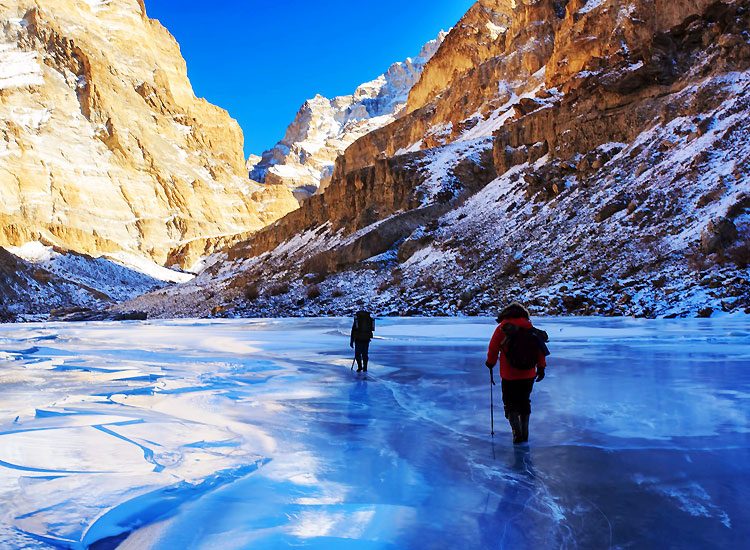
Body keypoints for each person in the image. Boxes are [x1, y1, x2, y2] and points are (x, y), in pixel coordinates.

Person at [485, 302, 548, 444]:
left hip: (509, 375)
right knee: (524, 401)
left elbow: (493, 348)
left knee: (510, 403)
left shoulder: (502, 328)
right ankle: (524, 434)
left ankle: (516, 434)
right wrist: (541, 367)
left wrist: (490, 363)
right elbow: (540, 349)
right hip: (528, 374)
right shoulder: (529, 327)